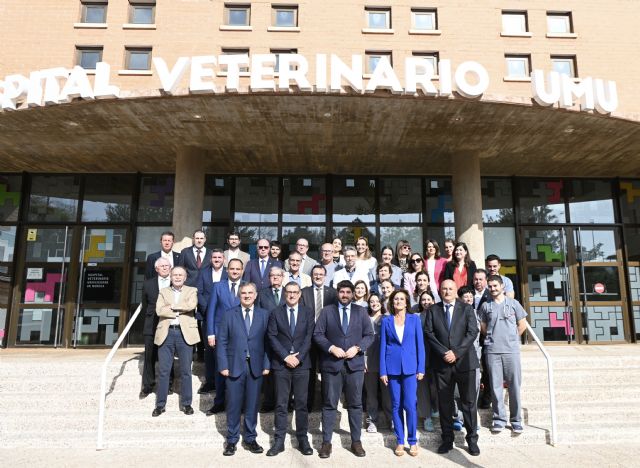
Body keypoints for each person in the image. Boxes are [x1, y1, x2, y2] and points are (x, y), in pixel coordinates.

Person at [313, 280, 374, 459]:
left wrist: (357, 348)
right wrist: (331, 348)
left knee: (355, 404)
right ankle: (326, 442)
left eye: (348, 292)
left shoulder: (361, 311)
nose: (345, 295)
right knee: (329, 404)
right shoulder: (327, 311)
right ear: (337, 293)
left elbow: (369, 335)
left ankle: (356, 441)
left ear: (353, 294)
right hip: (332, 365)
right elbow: (318, 334)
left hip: (354, 365)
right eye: (342, 292)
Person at [425, 279, 480, 456]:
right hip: (442, 364)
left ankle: (472, 440)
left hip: (465, 363)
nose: (447, 291)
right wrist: (444, 353)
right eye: (444, 289)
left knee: (469, 402)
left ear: (456, 290)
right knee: (445, 403)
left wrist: (456, 353)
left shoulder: (467, 309)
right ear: (439, 291)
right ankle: (447, 440)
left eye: (450, 288)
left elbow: (472, 332)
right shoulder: (433, 310)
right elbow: (429, 333)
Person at [217, 283, 271, 456]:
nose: (247, 296)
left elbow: (268, 343)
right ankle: (231, 440)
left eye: (250, 293)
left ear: (255, 295)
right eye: (243, 293)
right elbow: (222, 342)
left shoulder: (264, 315)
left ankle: (250, 438)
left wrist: (267, 364)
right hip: (233, 367)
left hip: (256, 367)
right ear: (239, 295)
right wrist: (223, 365)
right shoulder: (229, 314)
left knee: (252, 404)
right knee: (233, 405)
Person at [266, 282, 315, 457]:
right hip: (281, 365)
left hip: (302, 365)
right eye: (289, 292)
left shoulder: (308, 313)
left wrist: (298, 358)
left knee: (301, 404)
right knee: (281, 404)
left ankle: (303, 439)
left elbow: (309, 337)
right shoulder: (275, 313)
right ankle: (278, 441)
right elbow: (272, 337)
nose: (292, 295)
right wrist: (286, 357)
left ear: (300, 294)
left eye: (295, 292)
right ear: (284, 294)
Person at [480, 275, 528, 434]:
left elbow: (522, 325)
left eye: (495, 286)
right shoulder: (486, 306)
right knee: (495, 387)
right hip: (493, 351)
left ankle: (516, 420)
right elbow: (483, 328)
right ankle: (499, 419)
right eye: (490, 286)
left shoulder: (514, 304)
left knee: (514, 386)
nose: (493, 289)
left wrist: (511, 339)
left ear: (502, 286)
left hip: (511, 351)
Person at [380, 289, 425, 457]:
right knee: (396, 405)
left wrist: (421, 368)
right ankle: (400, 440)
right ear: (392, 303)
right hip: (392, 369)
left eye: (401, 299)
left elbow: (420, 345)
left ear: (406, 302)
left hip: (410, 368)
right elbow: (383, 347)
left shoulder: (415, 320)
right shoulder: (386, 321)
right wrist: (383, 370)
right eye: (395, 299)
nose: (398, 301)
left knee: (410, 405)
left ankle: (412, 441)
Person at [152, 266, 200, 417]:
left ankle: (186, 404)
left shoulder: (192, 290)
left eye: (181, 275)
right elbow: (159, 310)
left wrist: (172, 307)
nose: (178, 277)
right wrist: (181, 308)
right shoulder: (163, 292)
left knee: (186, 371)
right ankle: (160, 405)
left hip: (184, 334)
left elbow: (191, 305)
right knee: (164, 371)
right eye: (175, 275)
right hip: (166, 334)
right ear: (171, 277)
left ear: (185, 277)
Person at [205, 258, 244, 415]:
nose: (234, 271)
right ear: (227, 270)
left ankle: (240, 404)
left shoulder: (247, 286)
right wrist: (210, 333)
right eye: (232, 269)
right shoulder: (218, 286)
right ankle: (219, 402)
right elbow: (211, 311)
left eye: (238, 269)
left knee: (240, 370)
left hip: (241, 335)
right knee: (221, 369)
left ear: (242, 271)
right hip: (221, 335)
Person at [300, 264, 339, 411]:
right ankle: (308, 405)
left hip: (327, 339)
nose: (318, 276)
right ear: (311, 276)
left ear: (325, 276)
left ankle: (327, 405)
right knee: (309, 373)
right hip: (308, 339)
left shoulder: (332, 293)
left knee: (327, 372)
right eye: (315, 274)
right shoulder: (304, 292)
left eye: (320, 274)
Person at [195, 248, 228, 394]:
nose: (217, 259)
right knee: (209, 350)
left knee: (226, 350)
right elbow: (199, 293)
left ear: (223, 259)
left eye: (219, 257)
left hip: (226, 318)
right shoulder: (203, 273)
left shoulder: (229, 273)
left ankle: (224, 380)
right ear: (210, 259)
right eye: (214, 257)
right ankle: (210, 382)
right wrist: (209, 311)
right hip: (208, 316)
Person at [140, 257, 173, 398]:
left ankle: (169, 384)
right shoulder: (148, 284)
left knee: (168, 355)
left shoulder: (176, 282)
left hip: (169, 324)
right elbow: (145, 305)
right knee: (149, 356)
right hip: (151, 324)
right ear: (156, 269)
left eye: (167, 265)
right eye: (162, 266)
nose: (165, 268)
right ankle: (148, 385)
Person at [363, 293, 392, 433]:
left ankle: (391, 419)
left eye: (376, 301)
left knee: (387, 393)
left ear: (381, 303)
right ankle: (372, 421)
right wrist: (363, 360)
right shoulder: (365, 318)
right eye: (371, 301)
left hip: (385, 360)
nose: (374, 304)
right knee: (371, 393)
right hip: (369, 359)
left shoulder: (388, 318)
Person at [414, 291, 438, 432]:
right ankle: (427, 417)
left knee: (435, 387)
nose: (426, 302)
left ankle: (436, 409)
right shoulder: (417, 317)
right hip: (421, 356)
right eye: (423, 299)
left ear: (434, 301)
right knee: (422, 389)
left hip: (437, 356)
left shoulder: (439, 314)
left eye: (429, 299)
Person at [472, 269, 492, 409]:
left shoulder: (491, 295)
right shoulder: (467, 294)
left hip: (486, 338)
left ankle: (486, 399)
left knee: (487, 370)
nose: (478, 282)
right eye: (476, 279)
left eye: (481, 279)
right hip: (471, 339)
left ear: (485, 280)